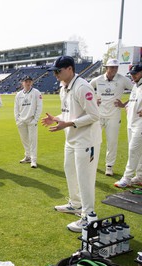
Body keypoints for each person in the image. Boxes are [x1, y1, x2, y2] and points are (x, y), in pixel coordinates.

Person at [41, 56, 101, 232]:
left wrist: (68, 123)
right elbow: (69, 112)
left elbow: (94, 115)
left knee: (85, 178)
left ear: (69, 69)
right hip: (72, 138)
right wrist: (57, 118)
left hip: (86, 140)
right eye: (54, 71)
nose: (55, 74)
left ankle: (89, 216)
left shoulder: (82, 87)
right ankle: (75, 204)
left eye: (58, 71)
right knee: (70, 171)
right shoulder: (64, 87)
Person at [90, 58, 134, 176]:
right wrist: (94, 99)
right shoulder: (98, 79)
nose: (114, 69)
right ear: (106, 68)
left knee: (112, 142)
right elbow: (87, 90)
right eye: (112, 67)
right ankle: (91, 163)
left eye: (116, 67)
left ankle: (109, 166)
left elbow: (136, 91)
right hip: (98, 115)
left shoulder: (123, 79)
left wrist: (124, 104)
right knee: (93, 140)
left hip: (114, 116)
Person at [114, 64, 142, 188]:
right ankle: (140, 176)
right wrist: (124, 106)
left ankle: (127, 177)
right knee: (138, 150)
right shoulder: (136, 85)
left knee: (133, 149)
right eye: (131, 73)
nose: (133, 75)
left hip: (140, 123)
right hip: (131, 121)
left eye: (136, 73)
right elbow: (133, 101)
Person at [14, 75, 43, 168]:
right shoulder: (19, 94)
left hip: (31, 120)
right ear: (22, 83)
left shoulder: (36, 93)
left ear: (32, 82)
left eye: (29, 81)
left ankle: (33, 160)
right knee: (25, 140)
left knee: (32, 141)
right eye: (26, 81)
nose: (28, 83)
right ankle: (27, 156)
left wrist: (35, 119)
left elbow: (39, 107)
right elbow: (16, 108)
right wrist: (17, 119)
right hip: (21, 121)